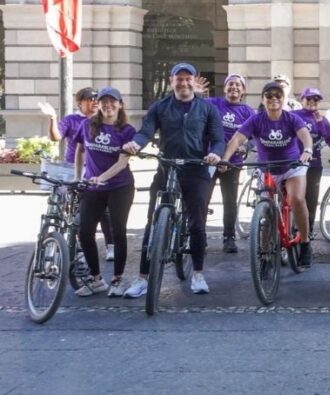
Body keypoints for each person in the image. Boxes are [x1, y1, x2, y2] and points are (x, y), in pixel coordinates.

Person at [121, 62, 224, 297]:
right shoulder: (160, 107)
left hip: (196, 169)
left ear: (194, 81)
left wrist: (215, 154)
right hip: (167, 168)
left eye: (188, 78)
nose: (184, 83)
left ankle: (198, 274)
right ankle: (143, 278)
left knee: (197, 223)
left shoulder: (207, 109)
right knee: (152, 221)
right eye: (179, 79)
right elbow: (146, 131)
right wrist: (136, 144)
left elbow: (218, 139)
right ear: (171, 81)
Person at [223, 81, 316, 267]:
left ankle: (305, 243)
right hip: (266, 168)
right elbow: (237, 139)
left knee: (297, 199)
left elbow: (305, 135)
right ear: (262, 99)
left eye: (278, 95)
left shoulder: (291, 118)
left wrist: (307, 150)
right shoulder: (256, 120)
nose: (274, 98)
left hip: (292, 166)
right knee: (266, 211)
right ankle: (264, 254)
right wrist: (225, 158)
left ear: (283, 99)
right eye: (269, 95)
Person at [71, 87, 135, 297]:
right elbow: (80, 150)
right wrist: (78, 177)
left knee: (118, 232)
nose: (108, 105)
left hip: (120, 186)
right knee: (85, 232)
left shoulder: (127, 131)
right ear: (98, 105)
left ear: (120, 104)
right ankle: (96, 278)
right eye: (103, 101)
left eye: (112, 101)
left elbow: (122, 163)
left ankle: (117, 279)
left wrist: (101, 178)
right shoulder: (87, 125)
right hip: (92, 187)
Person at [39, 87, 115, 261]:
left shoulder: (104, 120)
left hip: (97, 171)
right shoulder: (71, 120)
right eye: (90, 98)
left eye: (96, 98)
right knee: (73, 210)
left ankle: (111, 246)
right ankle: (79, 248)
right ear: (79, 102)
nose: (94, 101)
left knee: (104, 209)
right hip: (74, 169)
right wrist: (52, 118)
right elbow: (56, 137)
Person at [207, 74, 255, 253]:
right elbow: (195, 106)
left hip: (233, 162)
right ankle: (197, 236)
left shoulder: (248, 112)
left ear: (243, 90)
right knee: (203, 198)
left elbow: (256, 137)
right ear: (225, 87)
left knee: (229, 201)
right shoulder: (213, 103)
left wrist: (246, 146)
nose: (234, 87)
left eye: (238, 85)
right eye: (230, 84)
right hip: (210, 159)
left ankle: (229, 237)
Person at [293, 88, 330, 236]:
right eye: (308, 98)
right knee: (295, 198)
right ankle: (292, 229)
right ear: (302, 100)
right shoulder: (293, 115)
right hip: (294, 164)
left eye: (316, 99)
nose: (312, 102)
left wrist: (320, 125)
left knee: (311, 199)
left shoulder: (322, 119)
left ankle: (307, 232)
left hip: (314, 165)